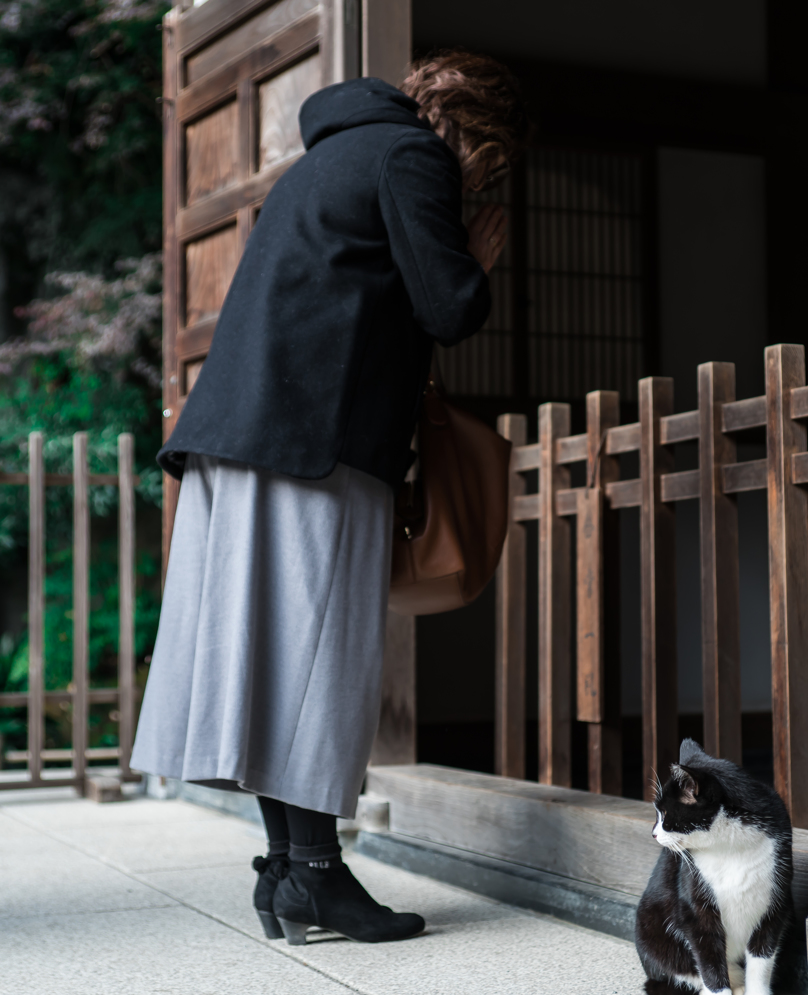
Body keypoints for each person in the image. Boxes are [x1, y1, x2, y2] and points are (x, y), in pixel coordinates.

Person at [130, 51, 528, 945]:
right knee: (316, 664)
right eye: (487, 165)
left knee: (279, 662)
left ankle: (289, 871)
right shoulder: (410, 157)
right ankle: (315, 874)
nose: (476, 179)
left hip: (245, 436)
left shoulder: (330, 156)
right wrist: (477, 255)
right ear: (470, 132)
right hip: (315, 441)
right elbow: (447, 304)